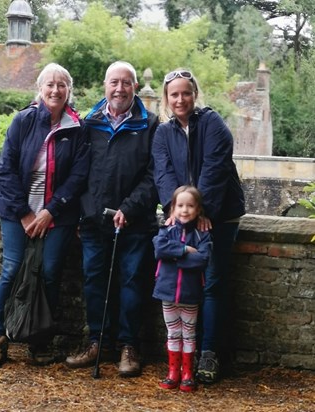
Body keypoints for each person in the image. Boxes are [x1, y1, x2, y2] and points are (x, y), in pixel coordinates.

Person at [0, 63, 89, 368]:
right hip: (18, 212)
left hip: (59, 215)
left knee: (51, 273)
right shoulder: (23, 121)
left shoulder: (77, 128)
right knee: (12, 270)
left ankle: (39, 341)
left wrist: (49, 212)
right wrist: (27, 214)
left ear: (69, 90)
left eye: (62, 85)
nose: (56, 90)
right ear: (40, 89)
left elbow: (79, 176)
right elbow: (6, 170)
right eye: (50, 85)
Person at [65, 61, 159, 377]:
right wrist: (86, 211)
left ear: (134, 87)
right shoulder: (89, 123)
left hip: (135, 223)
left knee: (132, 281)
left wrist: (129, 209)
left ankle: (128, 345)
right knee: (94, 281)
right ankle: (97, 341)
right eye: (114, 82)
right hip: (94, 222)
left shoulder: (151, 125)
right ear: (105, 86)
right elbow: (79, 172)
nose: (119, 89)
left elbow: (153, 176)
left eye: (126, 83)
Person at [152, 69, 246, 384]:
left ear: (195, 94)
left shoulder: (213, 123)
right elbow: (162, 172)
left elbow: (214, 168)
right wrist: (174, 209)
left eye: (186, 93)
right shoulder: (163, 132)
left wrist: (203, 210)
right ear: (167, 99)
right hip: (182, 214)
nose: (180, 99)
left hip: (218, 214)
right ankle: (182, 357)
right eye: (174, 94)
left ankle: (208, 353)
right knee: (185, 282)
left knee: (212, 282)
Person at [153, 185, 212, 392]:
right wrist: (184, 250)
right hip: (167, 292)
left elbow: (202, 259)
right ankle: (173, 372)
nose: (184, 210)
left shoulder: (202, 234)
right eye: (180, 205)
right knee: (172, 333)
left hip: (190, 293)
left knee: (189, 333)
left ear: (198, 210)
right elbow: (159, 249)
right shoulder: (166, 230)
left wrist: (174, 258)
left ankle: (187, 373)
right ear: (172, 208)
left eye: (190, 206)